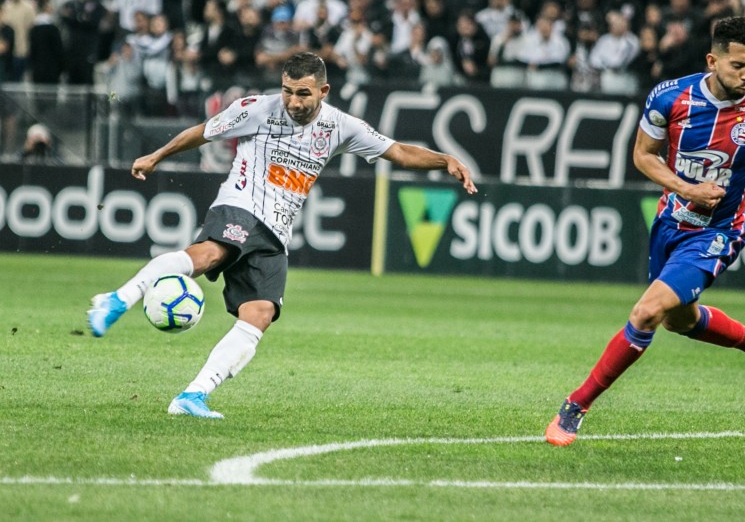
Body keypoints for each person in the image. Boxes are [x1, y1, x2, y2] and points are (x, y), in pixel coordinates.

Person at [86, 52, 478, 419]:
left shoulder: (341, 127)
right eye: (287, 91)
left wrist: (445, 160)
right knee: (207, 254)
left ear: (323, 91)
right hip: (240, 204)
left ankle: (192, 396)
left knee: (260, 314)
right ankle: (118, 299)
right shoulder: (257, 108)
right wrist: (156, 156)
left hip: (276, 232)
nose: (292, 101)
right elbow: (204, 132)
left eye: (302, 93)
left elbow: (399, 153)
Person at [545, 17, 745, 446]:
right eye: (739, 65)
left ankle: (575, 406)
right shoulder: (670, 96)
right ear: (712, 60)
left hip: (719, 232)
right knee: (679, 320)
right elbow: (643, 155)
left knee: (646, 313)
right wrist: (685, 188)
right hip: (670, 223)